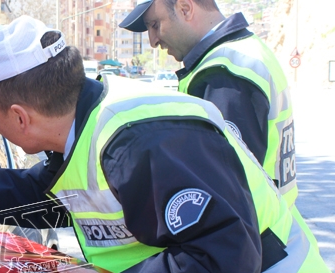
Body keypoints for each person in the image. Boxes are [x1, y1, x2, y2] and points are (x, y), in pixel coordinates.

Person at [0, 15, 335, 273]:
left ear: (20, 116)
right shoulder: (83, 124)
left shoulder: (145, 142)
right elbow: (48, 191)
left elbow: (224, 257)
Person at [119, 0, 299, 212]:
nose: (153, 41)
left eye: (155, 25)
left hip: (254, 237)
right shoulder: (246, 51)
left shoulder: (223, 73)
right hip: (274, 227)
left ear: (185, 8)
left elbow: (223, 190)